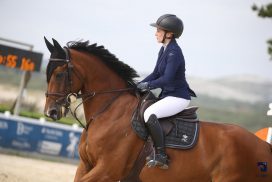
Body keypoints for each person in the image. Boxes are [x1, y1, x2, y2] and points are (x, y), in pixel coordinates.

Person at [137, 14, 196, 169]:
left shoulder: (174, 52)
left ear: (169, 34)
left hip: (178, 97)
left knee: (149, 114)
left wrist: (147, 85)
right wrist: (139, 84)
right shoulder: (164, 50)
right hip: (168, 95)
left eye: (158, 30)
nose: (155, 33)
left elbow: (167, 79)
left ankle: (162, 156)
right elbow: (156, 73)